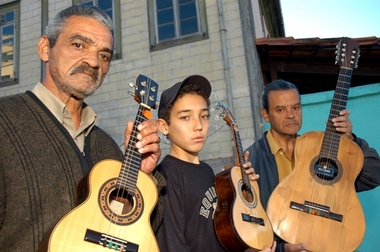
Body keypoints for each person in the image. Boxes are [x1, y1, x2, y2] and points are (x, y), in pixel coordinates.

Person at [0, 6, 164, 252]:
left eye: (104, 55)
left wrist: (141, 180)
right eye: (79, 45)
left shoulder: (107, 145)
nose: (93, 61)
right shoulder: (4, 121)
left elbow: (134, 234)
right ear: (45, 48)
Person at [245, 79, 380, 252]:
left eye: (296, 107)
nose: (291, 115)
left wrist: (352, 141)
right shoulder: (251, 159)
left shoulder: (320, 151)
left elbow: (373, 176)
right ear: (266, 114)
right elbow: (246, 227)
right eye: (280, 109)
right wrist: (282, 249)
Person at [154, 75, 276, 252]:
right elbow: (173, 245)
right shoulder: (167, 176)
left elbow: (218, 238)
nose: (199, 126)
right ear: (164, 127)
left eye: (204, 116)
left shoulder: (207, 171)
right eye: (185, 118)